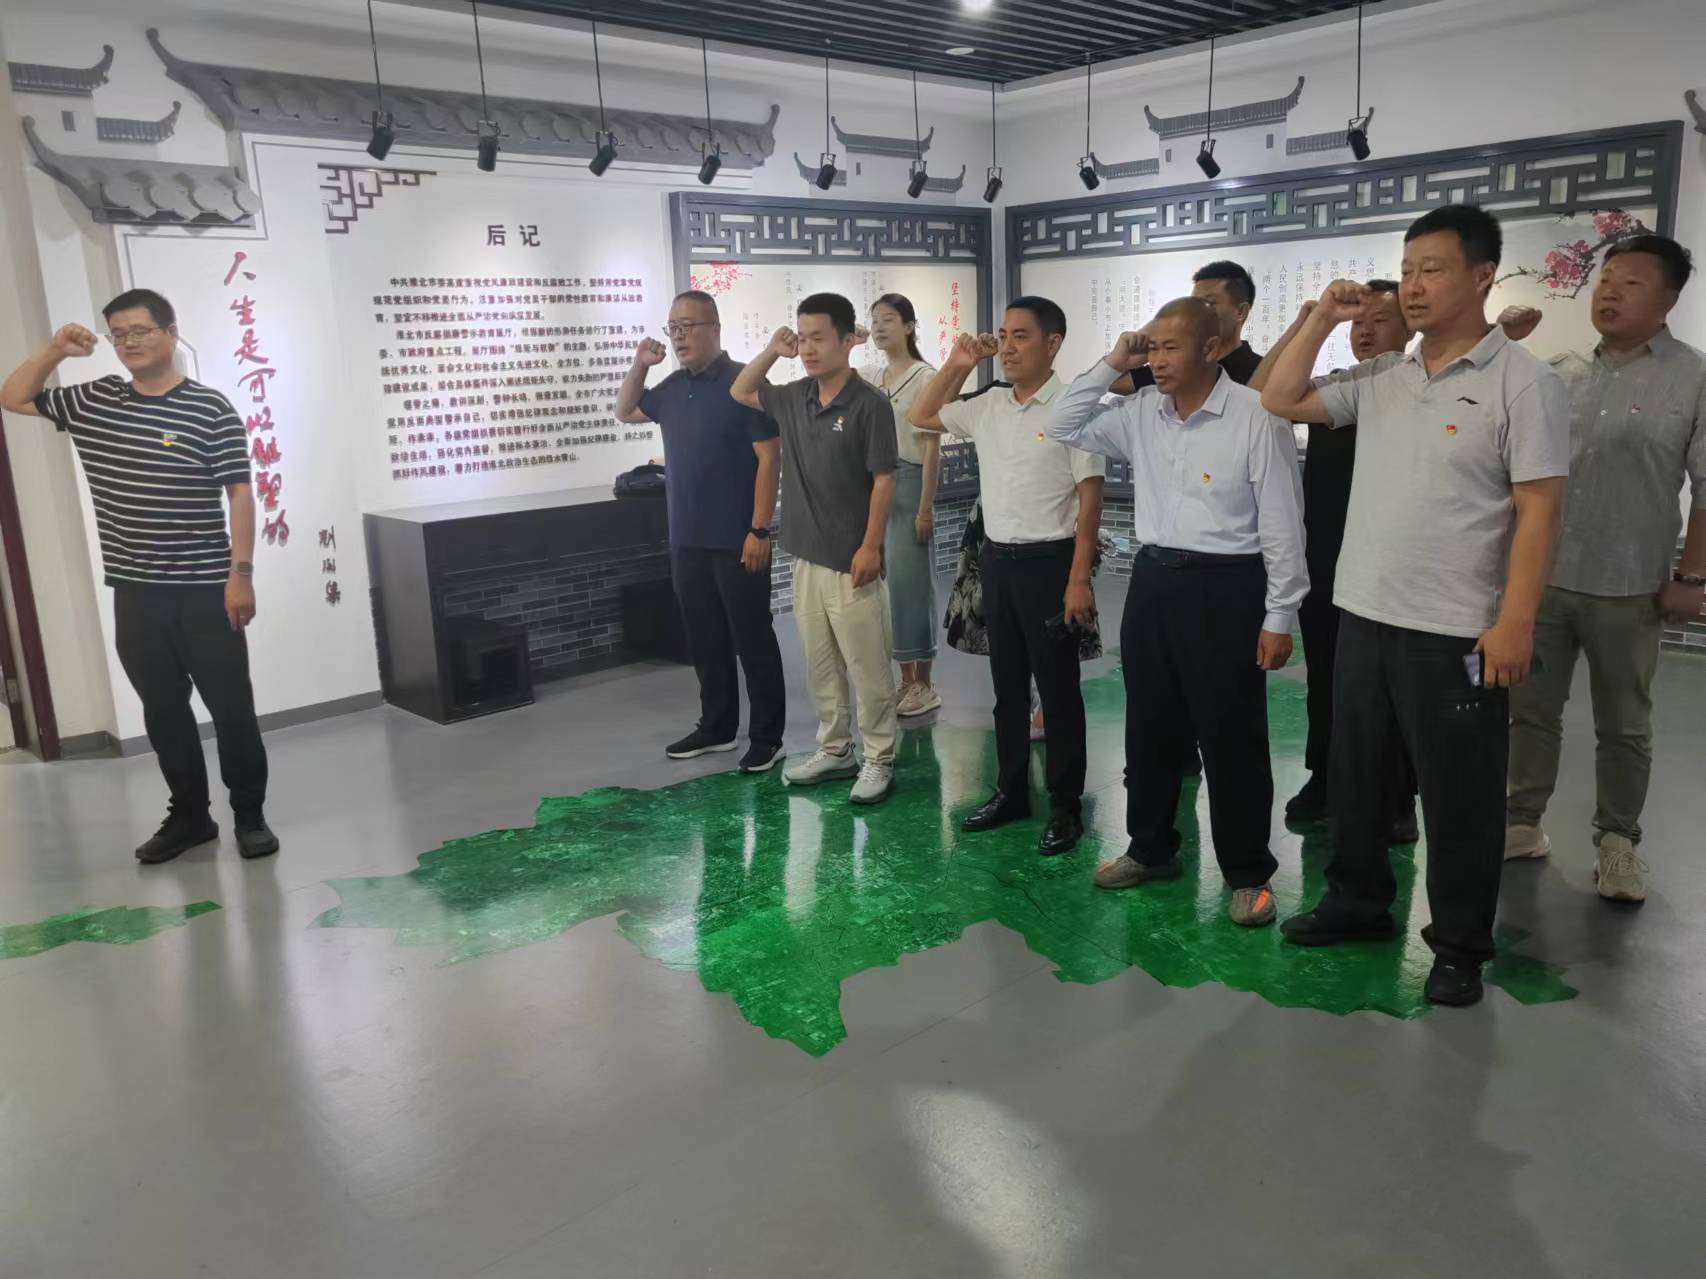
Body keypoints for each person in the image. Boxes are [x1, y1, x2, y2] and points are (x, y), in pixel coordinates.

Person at [1262, 205, 1571, 1006]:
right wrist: (1322, 319)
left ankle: (1460, 944)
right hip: (1364, 612)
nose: (1413, 285)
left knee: (1461, 795)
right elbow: (1279, 398)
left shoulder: (1523, 382)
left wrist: (1515, 621)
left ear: (1481, 275)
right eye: (1406, 271)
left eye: (1432, 269)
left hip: (1457, 628)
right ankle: (1357, 901)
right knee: (1357, 776)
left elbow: (1540, 508)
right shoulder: (1384, 379)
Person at [1051, 297, 1307, 924]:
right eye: (1152, 348)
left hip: (1228, 587)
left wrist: (1279, 617)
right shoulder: (1142, 411)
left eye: (1170, 348)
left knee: (1231, 735)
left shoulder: (1256, 415)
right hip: (1154, 581)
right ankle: (1150, 847)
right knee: (1150, 725)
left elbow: (1282, 525)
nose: (1157, 361)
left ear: (1212, 349)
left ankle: (1247, 872)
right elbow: (1062, 423)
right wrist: (1115, 360)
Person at [0, 289, 277, 864]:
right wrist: (55, 350)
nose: (128, 342)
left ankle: (249, 816)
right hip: (135, 593)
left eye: (140, 331)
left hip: (206, 590)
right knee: (163, 711)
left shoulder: (210, 408)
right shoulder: (96, 399)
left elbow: (240, 494)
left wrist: (241, 574)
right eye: (118, 334)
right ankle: (191, 817)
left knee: (231, 708)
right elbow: (13, 396)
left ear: (170, 333)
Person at [1503, 234, 1706, 903]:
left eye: (1631, 282)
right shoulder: (1558, 372)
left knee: (1624, 724)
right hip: (1546, 579)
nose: (1609, 292)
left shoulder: (1695, 376)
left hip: (1630, 584)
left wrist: (1693, 578)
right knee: (1531, 710)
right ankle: (1521, 821)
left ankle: (1618, 842)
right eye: (1605, 279)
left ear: (1668, 299)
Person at [909, 297, 1106, 855]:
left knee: (1059, 693)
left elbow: (1090, 501)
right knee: (1007, 690)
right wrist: (959, 363)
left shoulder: (1072, 408)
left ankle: (1065, 805)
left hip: (1051, 563)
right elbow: (922, 414)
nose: (1008, 347)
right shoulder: (989, 404)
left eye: (1022, 335)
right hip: (997, 562)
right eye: (1003, 334)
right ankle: (1011, 791)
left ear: (1053, 343)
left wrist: (1079, 579)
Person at [1251, 283, 1419, 842]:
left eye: (1381, 321)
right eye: (1357, 323)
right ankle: (1324, 778)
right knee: (1326, 673)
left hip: (1391, 559)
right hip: (1325, 556)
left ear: (1411, 328)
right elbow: (1260, 395)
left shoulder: (1415, 388)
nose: (1365, 331)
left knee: (1391, 683)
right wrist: (1308, 323)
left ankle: (1398, 796)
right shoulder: (1337, 387)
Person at [730, 293, 899, 804]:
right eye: (801, 338)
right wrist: (772, 350)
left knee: (867, 665)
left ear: (848, 340)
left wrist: (871, 546)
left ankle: (879, 756)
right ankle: (836, 749)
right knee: (821, 665)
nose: (807, 348)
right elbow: (742, 390)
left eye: (818, 338)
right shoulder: (794, 396)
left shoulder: (869, 404)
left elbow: (884, 480)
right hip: (805, 555)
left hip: (852, 561)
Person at [615, 290, 787, 773]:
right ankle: (717, 727)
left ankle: (768, 737)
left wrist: (760, 529)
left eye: (688, 326)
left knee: (753, 639)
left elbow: (770, 457)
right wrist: (641, 364)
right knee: (705, 639)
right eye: (673, 327)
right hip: (687, 539)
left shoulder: (744, 383)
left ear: (715, 328)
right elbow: (626, 410)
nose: (679, 335)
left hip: (738, 537)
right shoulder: (672, 387)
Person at [867, 294, 942, 718]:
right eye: (874, 320)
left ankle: (925, 684)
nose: (879, 328)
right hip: (880, 485)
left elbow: (931, 449)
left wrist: (925, 508)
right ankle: (905, 679)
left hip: (912, 484)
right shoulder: (874, 375)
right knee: (890, 588)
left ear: (910, 326)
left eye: (888, 320)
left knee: (914, 587)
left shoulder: (925, 376)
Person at [1109, 259, 1265, 395]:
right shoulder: (1176, 364)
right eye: (1193, 303)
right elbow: (1112, 382)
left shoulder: (1261, 371)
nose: (1196, 312)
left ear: (1240, 312)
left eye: (1209, 303)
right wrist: (1148, 338)